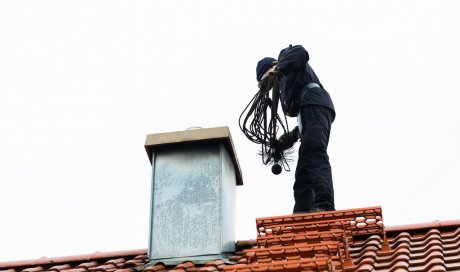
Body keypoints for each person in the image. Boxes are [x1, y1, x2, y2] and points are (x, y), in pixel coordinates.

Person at [256, 45, 336, 213]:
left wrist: (280, 69)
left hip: (314, 102)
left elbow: (302, 51)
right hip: (310, 110)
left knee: (314, 153)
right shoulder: (287, 85)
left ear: (270, 68)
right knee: (303, 172)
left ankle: (324, 206)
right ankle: (301, 214)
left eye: (266, 80)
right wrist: (289, 139)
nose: (270, 87)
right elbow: (305, 121)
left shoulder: (285, 57)